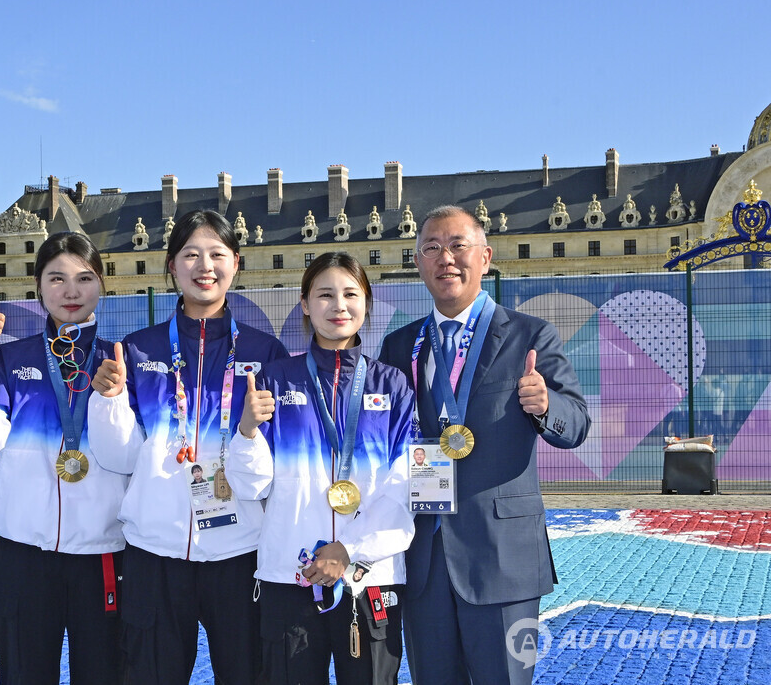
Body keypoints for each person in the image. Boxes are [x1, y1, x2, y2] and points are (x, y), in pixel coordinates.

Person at [378, 205, 591, 685]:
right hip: (423, 560)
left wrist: (544, 405)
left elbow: (576, 422)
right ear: (418, 263)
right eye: (431, 248)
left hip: (502, 558)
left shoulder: (530, 335)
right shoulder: (399, 347)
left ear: (486, 257)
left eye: (458, 246)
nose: (445, 258)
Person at [87, 209, 289, 684]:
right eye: (191, 255)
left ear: (236, 263)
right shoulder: (137, 350)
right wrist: (110, 402)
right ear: (172, 266)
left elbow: (272, 465)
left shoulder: (266, 353)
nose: (205, 265)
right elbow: (117, 458)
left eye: (217, 254)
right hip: (155, 554)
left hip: (240, 554)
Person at [228, 251, 415, 685]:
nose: (339, 306)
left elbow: (404, 484)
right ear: (305, 305)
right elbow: (252, 486)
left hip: (369, 578)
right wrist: (247, 432)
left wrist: (349, 549)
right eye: (325, 295)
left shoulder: (391, 385)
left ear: (366, 302)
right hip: (290, 576)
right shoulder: (276, 379)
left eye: (351, 294)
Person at [0, 232, 128, 684]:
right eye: (57, 279)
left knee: (103, 674)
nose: (71, 291)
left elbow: (129, 457)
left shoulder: (120, 361)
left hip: (101, 554)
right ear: (38, 286)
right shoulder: (11, 358)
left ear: (102, 285)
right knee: (24, 674)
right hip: (23, 556)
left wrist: (114, 398)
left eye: (84, 278)